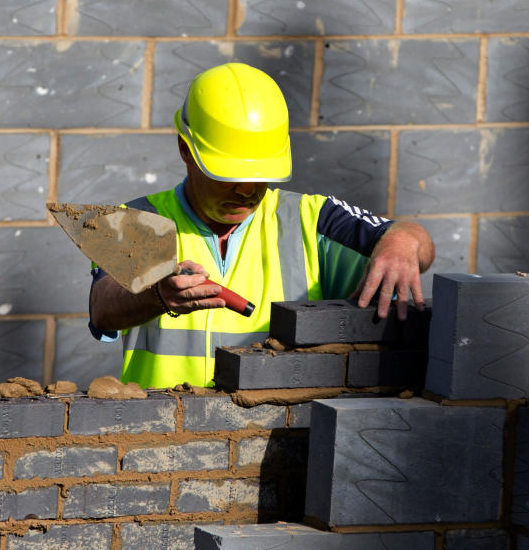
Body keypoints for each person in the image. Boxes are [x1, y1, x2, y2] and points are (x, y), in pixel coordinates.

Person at [88, 62, 435, 389]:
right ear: (185, 149)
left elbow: (410, 238)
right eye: (229, 175)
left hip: (277, 440)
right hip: (165, 437)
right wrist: (158, 295)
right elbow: (102, 309)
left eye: (259, 175)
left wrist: (401, 245)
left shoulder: (312, 218)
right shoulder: (135, 221)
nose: (246, 190)